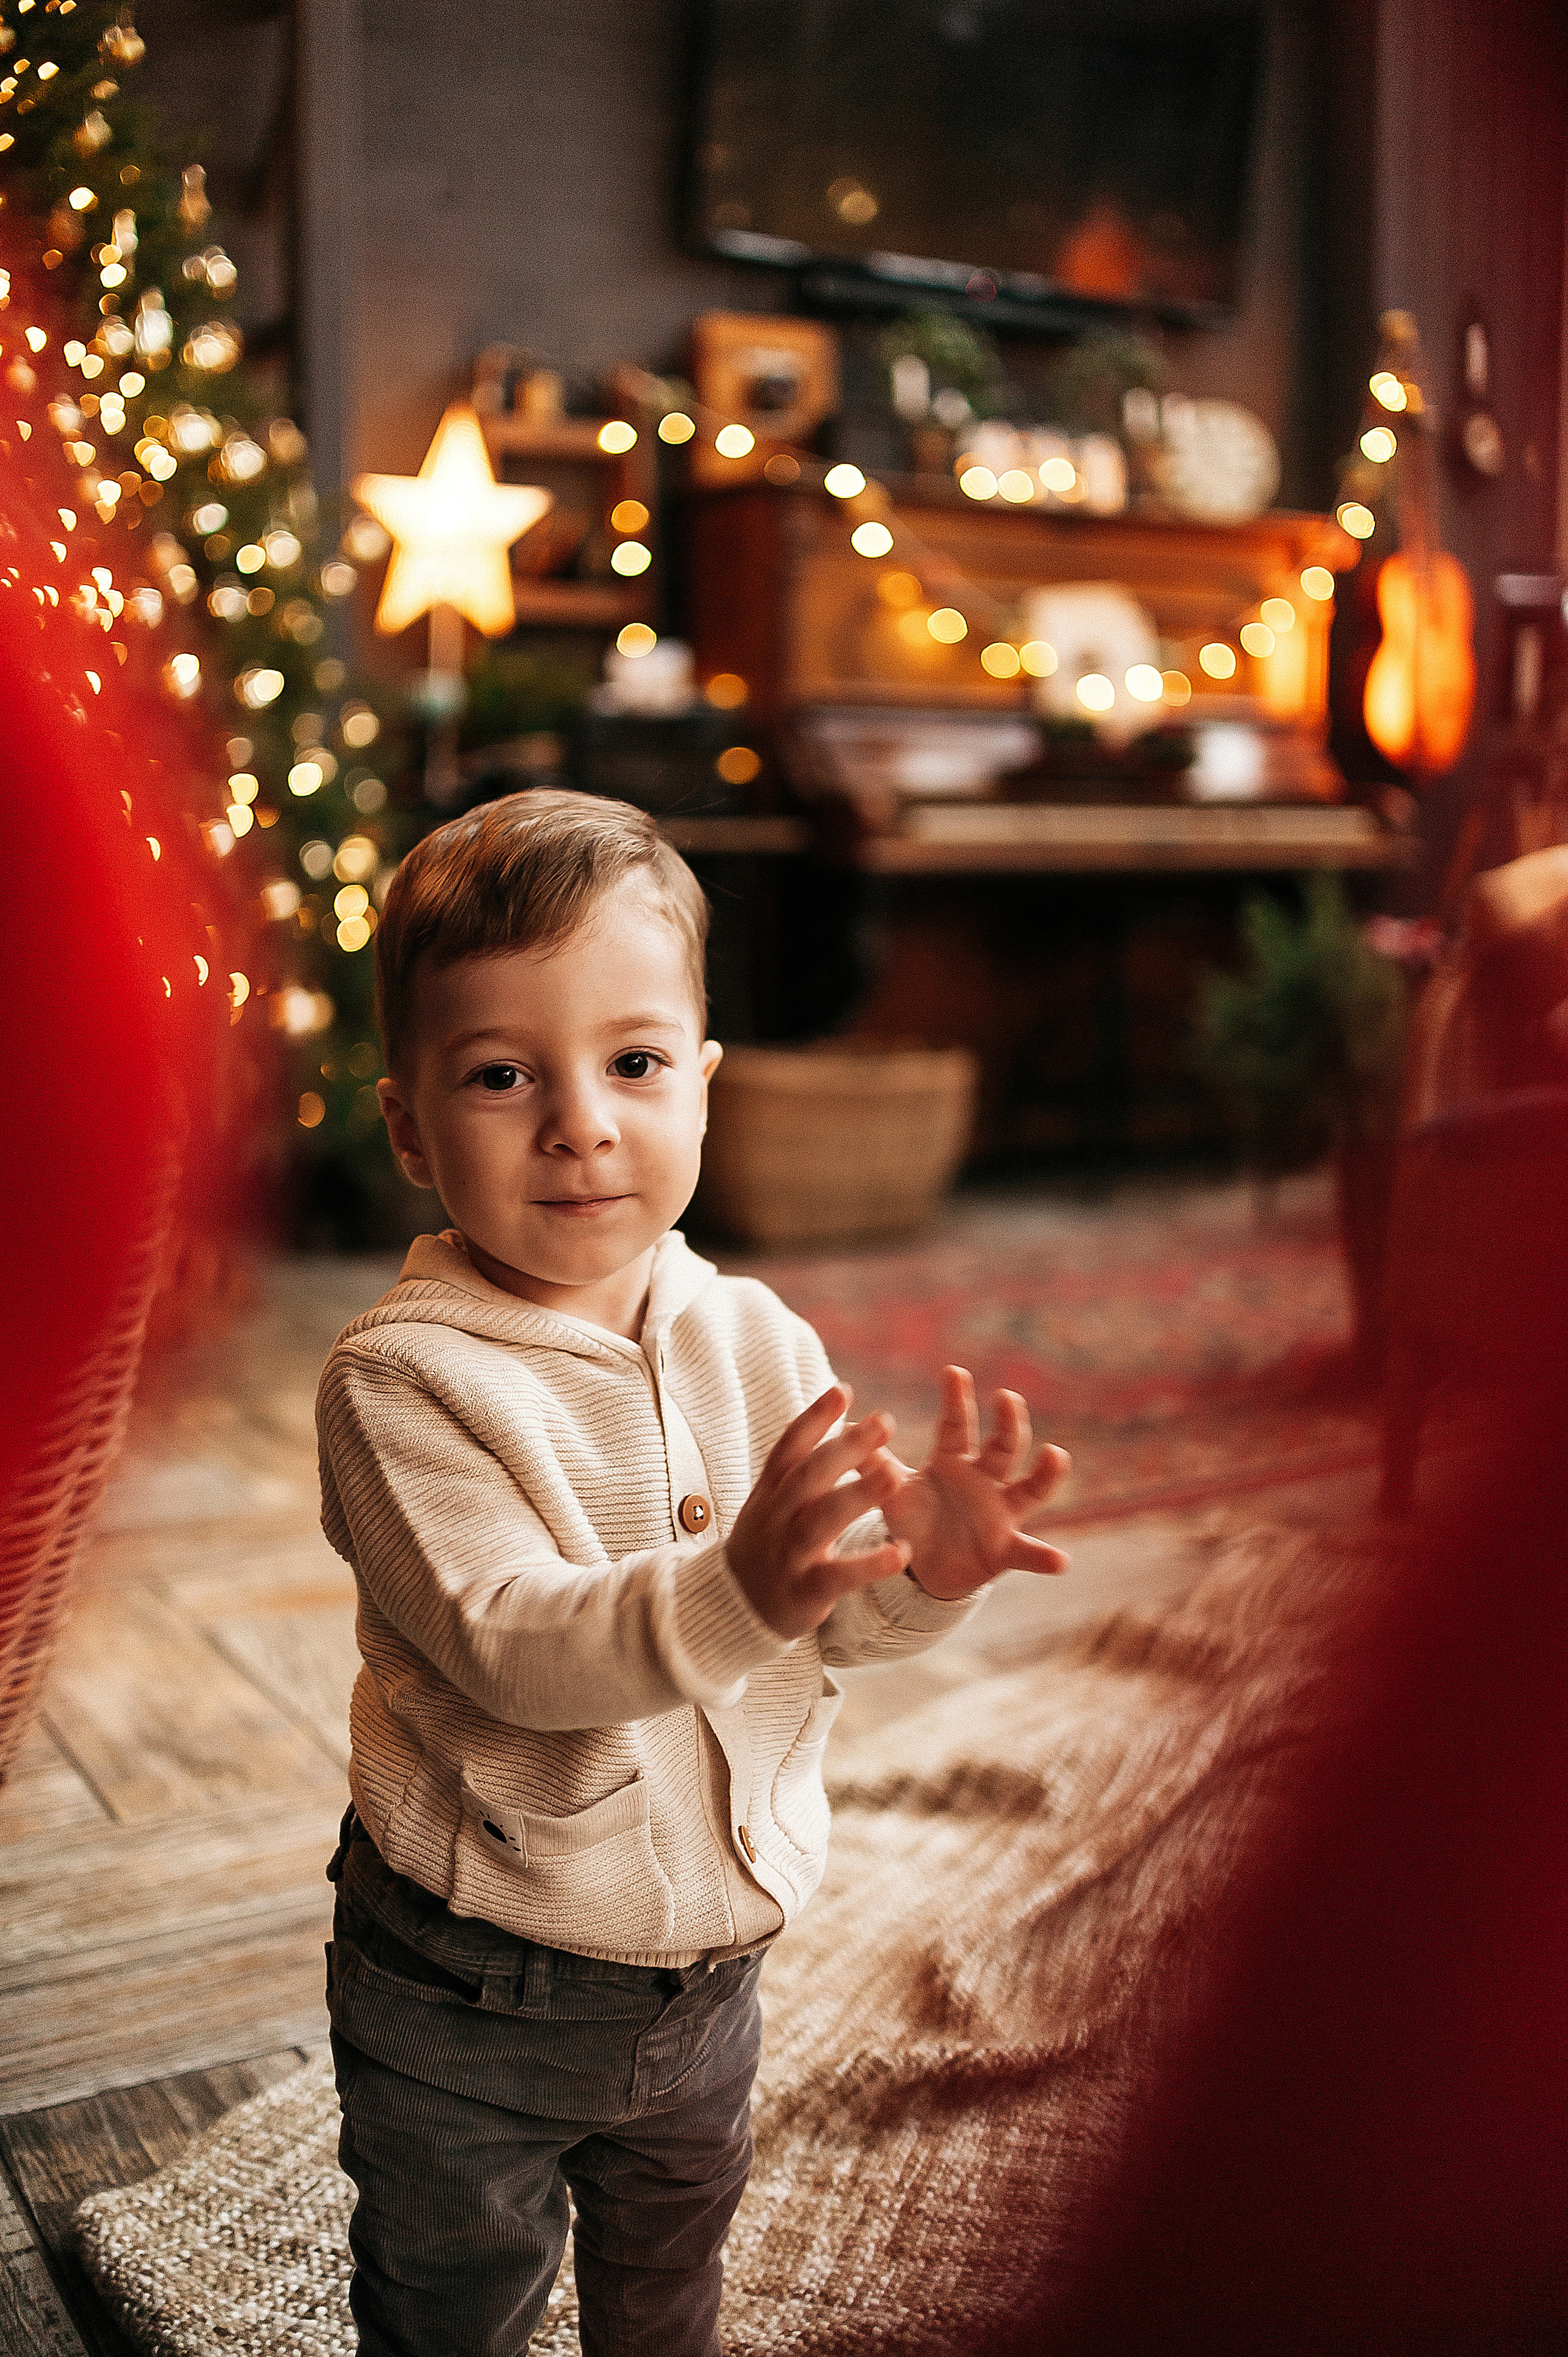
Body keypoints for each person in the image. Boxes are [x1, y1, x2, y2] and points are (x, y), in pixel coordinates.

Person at [317, 789, 1070, 2357]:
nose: (579, 1120)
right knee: (452, 2299)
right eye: (503, 1073)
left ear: (705, 1088)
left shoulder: (752, 1336)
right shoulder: (402, 1385)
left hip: (712, 1969)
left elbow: (813, 1616)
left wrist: (921, 1572)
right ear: (407, 1124)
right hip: (476, 1984)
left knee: (667, 2291)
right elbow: (513, 1640)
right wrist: (741, 1583)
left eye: (634, 1063)